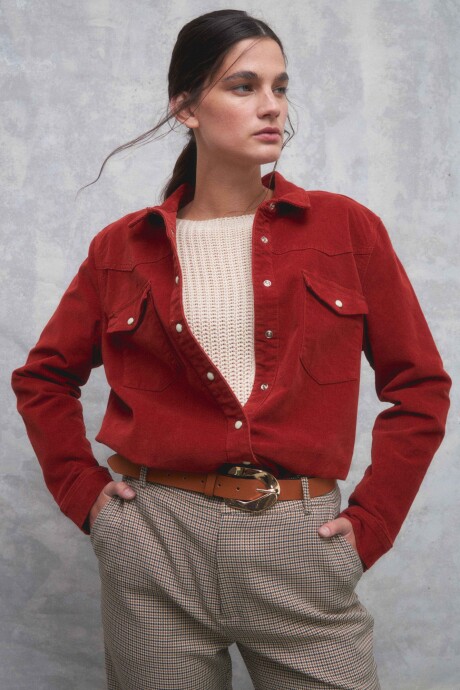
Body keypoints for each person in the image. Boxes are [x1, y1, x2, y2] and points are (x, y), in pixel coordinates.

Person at [11, 8, 451, 690]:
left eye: (280, 87)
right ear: (186, 106)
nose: (271, 106)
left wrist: (372, 524)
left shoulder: (346, 229)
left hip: (300, 542)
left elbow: (420, 385)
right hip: (154, 542)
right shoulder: (123, 247)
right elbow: (43, 377)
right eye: (244, 86)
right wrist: (87, 497)